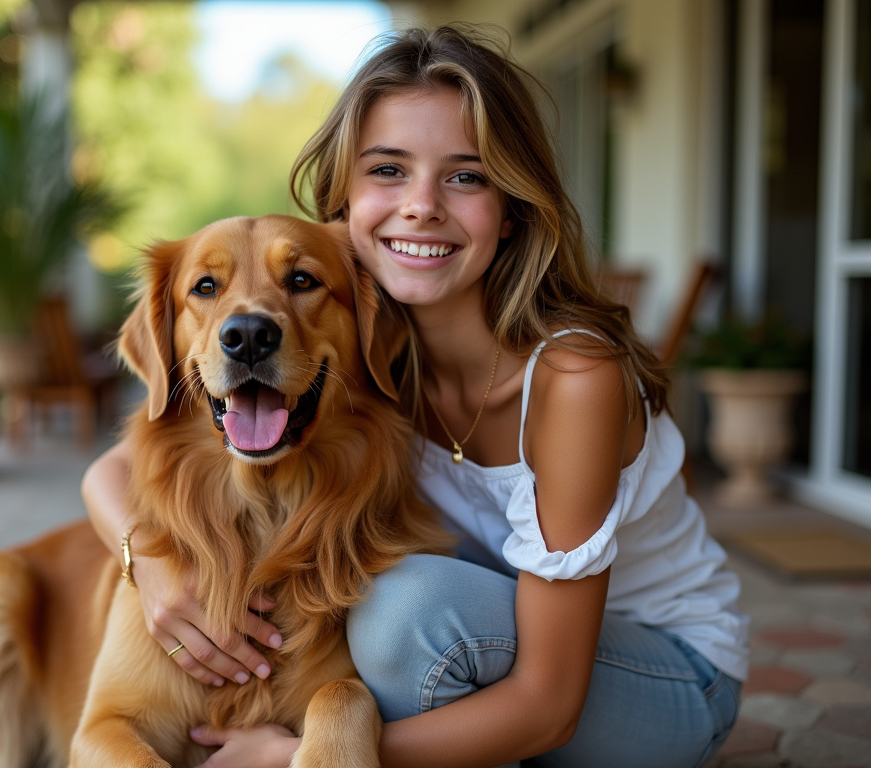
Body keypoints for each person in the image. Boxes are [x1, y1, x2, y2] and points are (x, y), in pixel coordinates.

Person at [82, 23, 748, 768]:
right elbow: (112, 471)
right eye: (389, 170)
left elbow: (549, 705)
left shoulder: (573, 381)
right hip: (497, 646)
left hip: (660, 677)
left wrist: (298, 754)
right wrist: (153, 565)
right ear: (344, 202)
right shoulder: (353, 342)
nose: (422, 205)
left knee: (403, 613)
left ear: (513, 206)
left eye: (466, 176)